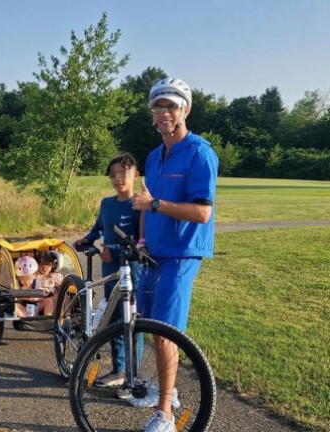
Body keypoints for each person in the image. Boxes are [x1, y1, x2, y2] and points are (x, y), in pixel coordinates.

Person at [131, 77, 218, 432]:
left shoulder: (200, 153)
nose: (164, 112)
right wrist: (141, 239)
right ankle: (169, 391)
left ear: (186, 109)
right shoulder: (154, 156)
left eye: (171, 105)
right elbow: (144, 204)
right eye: (158, 106)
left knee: (166, 331)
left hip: (182, 255)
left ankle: (165, 416)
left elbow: (202, 213)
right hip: (154, 253)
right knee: (152, 326)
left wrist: (155, 204)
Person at [73, 152, 141, 389]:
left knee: (131, 322)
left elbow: (140, 240)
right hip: (110, 269)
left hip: (132, 271)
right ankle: (119, 370)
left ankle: (133, 374)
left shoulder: (139, 205)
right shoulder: (107, 203)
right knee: (113, 321)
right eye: (113, 174)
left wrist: (112, 247)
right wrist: (86, 239)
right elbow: (98, 228)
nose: (118, 178)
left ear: (136, 175)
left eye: (124, 173)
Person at [34, 251, 64, 315]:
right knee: (49, 300)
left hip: (55, 301)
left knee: (65, 297)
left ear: (52, 265)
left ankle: (67, 317)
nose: (45, 267)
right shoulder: (34, 277)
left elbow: (62, 288)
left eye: (48, 264)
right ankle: (49, 319)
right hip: (39, 302)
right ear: (38, 264)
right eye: (42, 264)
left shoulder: (55, 276)